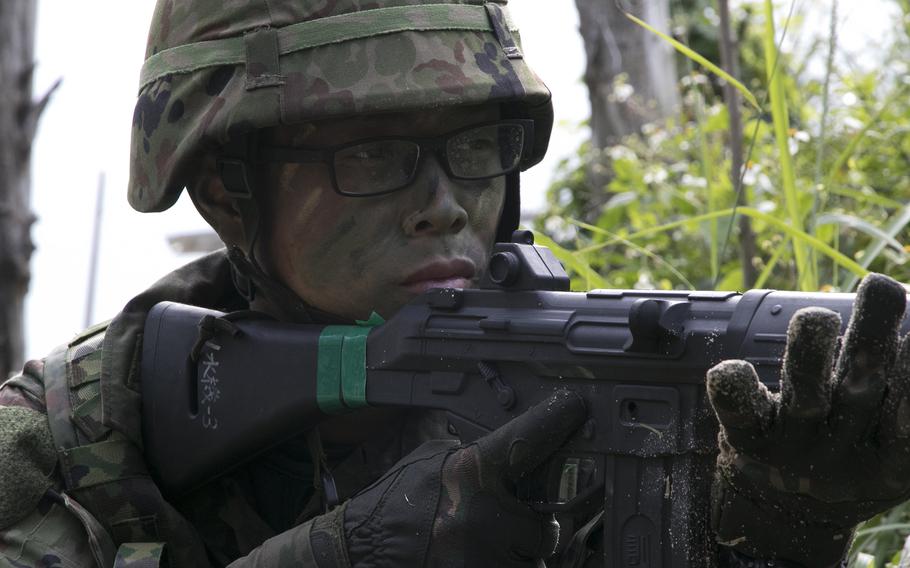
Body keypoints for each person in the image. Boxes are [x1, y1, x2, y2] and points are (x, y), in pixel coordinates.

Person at [1, 1, 908, 566]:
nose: (443, 207)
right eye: (373, 154)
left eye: (476, 148)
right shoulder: (67, 443)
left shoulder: (575, 395)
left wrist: (776, 527)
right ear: (225, 192)